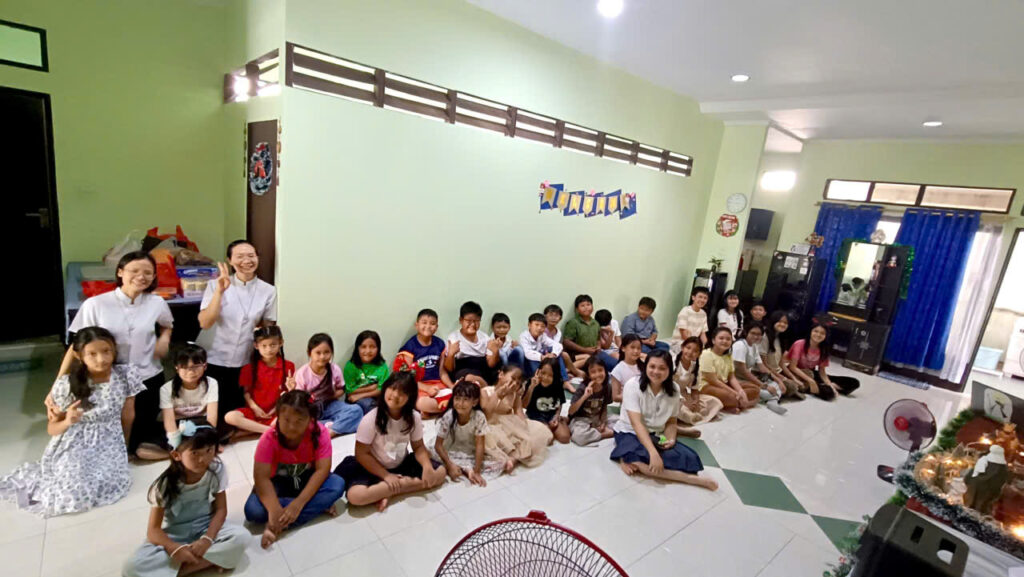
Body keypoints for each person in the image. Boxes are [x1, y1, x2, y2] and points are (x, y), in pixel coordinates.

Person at [1, 327, 145, 516]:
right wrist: (68, 421)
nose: (101, 359)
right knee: (73, 492)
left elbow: (128, 415)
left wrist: (123, 448)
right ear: (78, 355)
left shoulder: (126, 375)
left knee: (107, 483)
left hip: (109, 441)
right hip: (74, 442)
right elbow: (52, 429)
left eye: (106, 351)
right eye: (92, 354)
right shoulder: (67, 384)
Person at [53, 251, 172, 457]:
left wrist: (164, 339)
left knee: (140, 439)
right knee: (107, 436)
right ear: (120, 272)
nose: (141, 276)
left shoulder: (157, 303)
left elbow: (167, 325)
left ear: (154, 276)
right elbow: (76, 346)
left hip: (148, 377)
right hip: (107, 380)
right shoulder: (96, 304)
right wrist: (57, 384)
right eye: (134, 271)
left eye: (147, 272)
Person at [123, 425, 248, 577]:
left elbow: (221, 510)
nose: (203, 459)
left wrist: (207, 539)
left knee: (242, 537)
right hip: (175, 534)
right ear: (177, 455)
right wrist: (174, 548)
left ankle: (179, 571)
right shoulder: (164, 485)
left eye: (209, 450)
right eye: (195, 453)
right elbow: (153, 530)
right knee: (132, 568)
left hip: (205, 526)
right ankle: (211, 561)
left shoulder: (216, 469)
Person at [244, 390, 344, 548]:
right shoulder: (269, 438)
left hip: (307, 479)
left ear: (310, 419)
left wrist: (298, 504)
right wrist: (274, 509)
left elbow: (322, 470)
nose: (291, 426)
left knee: (337, 484)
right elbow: (261, 478)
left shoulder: (319, 433)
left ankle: (277, 525)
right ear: (278, 416)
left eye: (299, 421)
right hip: (278, 482)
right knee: (253, 511)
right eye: (286, 420)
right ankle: (314, 507)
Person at [334, 372, 447, 512]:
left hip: (400, 463)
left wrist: (427, 466)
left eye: (403, 392)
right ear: (385, 388)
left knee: (440, 473)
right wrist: (386, 476)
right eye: (392, 388)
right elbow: (361, 454)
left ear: (410, 397)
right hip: (373, 466)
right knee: (355, 496)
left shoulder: (414, 417)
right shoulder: (371, 419)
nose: (395, 395)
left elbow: (418, 447)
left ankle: (389, 490)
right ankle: (396, 486)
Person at [610, 349, 718, 491]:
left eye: (662, 368)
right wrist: (653, 453)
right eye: (652, 366)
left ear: (669, 370)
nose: (656, 371)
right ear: (645, 367)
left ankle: (626, 457)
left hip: (656, 433)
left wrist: (670, 439)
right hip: (629, 431)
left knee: (689, 457)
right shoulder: (633, 385)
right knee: (642, 460)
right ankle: (692, 480)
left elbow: (671, 421)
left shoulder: (674, 389)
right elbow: (636, 424)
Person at [196, 240, 277, 424]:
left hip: (243, 358)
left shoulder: (268, 290)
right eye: (240, 256)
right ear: (230, 261)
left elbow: (267, 326)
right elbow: (205, 322)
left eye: (251, 256)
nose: (246, 261)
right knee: (211, 406)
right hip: (214, 355)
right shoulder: (215, 285)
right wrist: (219, 291)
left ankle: (230, 434)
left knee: (234, 406)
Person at [136, 344, 220, 461]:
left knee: (227, 427)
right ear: (176, 368)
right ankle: (180, 453)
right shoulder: (166, 388)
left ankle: (191, 450)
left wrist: (208, 437)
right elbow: (169, 422)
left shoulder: (211, 383)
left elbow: (211, 418)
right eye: (184, 367)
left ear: (205, 366)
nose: (190, 372)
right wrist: (176, 444)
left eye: (196, 366)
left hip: (200, 422)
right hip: (177, 425)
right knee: (141, 451)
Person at [431, 380, 510, 485]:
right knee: (433, 455)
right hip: (451, 446)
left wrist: (477, 471)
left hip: (471, 448)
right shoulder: (449, 416)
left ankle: (467, 469)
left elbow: (479, 445)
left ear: (474, 402)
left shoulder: (479, 417)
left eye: (465, 399)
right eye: (457, 398)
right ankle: (465, 469)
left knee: (499, 463)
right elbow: (438, 445)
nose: (460, 403)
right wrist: (449, 465)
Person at [224, 327, 295, 435]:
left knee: (291, 416)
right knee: (230, 417)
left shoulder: (288, 366)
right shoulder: (248, 368)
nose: (269, 349)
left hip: (277, 412)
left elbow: (287, 394)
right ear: (256, 346)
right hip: (254, 411)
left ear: (281, 343)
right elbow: (246, 392)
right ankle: (270, 431)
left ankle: (254, 430)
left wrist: (277, 408)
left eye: (273, 345)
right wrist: (255, 408)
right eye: (264, 346)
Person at [480, 365, 552, 468]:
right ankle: (512, 456)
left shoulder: (514, 394)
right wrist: (498, 395)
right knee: (495, 442)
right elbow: (486, 413)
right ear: (501, 375)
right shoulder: (485, 391)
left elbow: (519, 412)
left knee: (536, 437)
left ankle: (515, 458)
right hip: (491, 424)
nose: (514, 384)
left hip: (509, 423)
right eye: (513, 379)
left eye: (518, 383)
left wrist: (525, 429)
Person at [292, 333, 363, 436]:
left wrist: (330, 395)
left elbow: (342, 389)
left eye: (327, 352)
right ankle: (332, 424)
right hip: (311, 410)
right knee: (298, 421)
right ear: (309, 353)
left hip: (330, 405)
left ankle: (331, 431)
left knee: (356, 410)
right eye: (318, 353)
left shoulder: (334, 369)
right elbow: (299, 400)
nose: (322, 357)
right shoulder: (302, 373)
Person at [394, 308, 453, 416]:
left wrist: (452, 386)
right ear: (417, 325)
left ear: (436, 327)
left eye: (432, 323)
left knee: (458, 395)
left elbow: (442, 372)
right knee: (420, 403)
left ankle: (438, 408)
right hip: (418, 386)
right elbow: (407, 377)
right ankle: (444, 407)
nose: (428, 326)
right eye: (424, 322)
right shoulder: (410, 347)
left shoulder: (439, 344)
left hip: (437, 384)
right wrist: (427, 388)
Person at [784, 325, 861, 401]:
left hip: (812, 373)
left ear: (825, 336)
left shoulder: (823, 349)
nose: (818, 335)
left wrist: (830, 385)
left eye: (822, 333)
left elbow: (822, 372)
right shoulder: (799, 344)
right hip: (797, 373)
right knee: (828, 393)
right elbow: (792, 367)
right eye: (816, 331)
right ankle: (818, 386)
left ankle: (828, 386)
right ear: (810, 332)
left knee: (854, 382)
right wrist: (811, 381)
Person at [699, 327, 759, 413]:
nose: (725, 341)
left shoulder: (728, 356)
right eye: (721, 338)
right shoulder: (706, 354)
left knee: (755, 389)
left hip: (724, 384)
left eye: (728, 339)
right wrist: (735, 393)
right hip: (707, 386)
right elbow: (713, 381)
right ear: (713, 340)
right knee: (731, 397)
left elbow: (732, 378)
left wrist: (741, 391)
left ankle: (735, 404)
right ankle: (742, 403)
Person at [732, 323, 787, 416]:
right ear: (746, 333)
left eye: (759, 334)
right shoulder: (740, 345)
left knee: (776, 385)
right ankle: (771, 399)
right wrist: (763, 385)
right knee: (766, 391)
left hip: (749, 379)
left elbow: (763, 368)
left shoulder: (754, 346)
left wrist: (779, 381)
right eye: (753, 333)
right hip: (738, 380)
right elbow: (743, 371)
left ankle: (771, 401)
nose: (756, 336)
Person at [673, 337, 723, 432]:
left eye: (695, 351)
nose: (690, 352)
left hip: (684, 394)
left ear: (699, 354)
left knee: (715, 402)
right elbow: (667, 386)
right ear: (682, 347)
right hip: (672, 395)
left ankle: (691, 416)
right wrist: (684, 402)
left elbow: (695, 389)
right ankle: (689, 418)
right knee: (681, 409)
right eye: (688, 348)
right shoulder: (673, 362)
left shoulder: (695, 366)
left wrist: (695, 401)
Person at [444, 301, 500, 386]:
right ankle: (486, 388)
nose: (473, 324)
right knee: (469, 378)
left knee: (503, 372)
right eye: (468, 321)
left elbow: (490, 364)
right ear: (461, 320)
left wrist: (495, 352)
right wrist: (451, 354)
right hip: (463, 371)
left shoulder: (485, 338)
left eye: (476, 321)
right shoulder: (453, 338)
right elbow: (450, 369)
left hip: (482, 369)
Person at [562, 294, 618, 372]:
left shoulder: (596, 323)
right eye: (582, 305)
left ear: (592, 307)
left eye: (588, 304)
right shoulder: (573, 323)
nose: (586, 307)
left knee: (617, 366)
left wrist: (598, 346)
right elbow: (566, 342)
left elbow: (598, 339)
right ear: (577, 309)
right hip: (580, 355)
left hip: (596, 354)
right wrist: (584, 349)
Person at [567, 356, 614, 446]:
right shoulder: (582, 388)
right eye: (593, 372)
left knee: (622, 423)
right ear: (588, 375)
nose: (597, 374)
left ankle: (595, 432)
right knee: (579, 437)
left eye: (600, 370)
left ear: (605, 371)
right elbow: (571, 411)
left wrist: (603, 422)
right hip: (581, 420)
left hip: (597, 417)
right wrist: (585, 396)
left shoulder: (607, 387)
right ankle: (603, 434)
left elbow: (604, 407)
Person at [524, 358, 571, 444]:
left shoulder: (558, 384)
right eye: (543, 373)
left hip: (551, 415)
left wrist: (556, 416)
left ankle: (562, 420)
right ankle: (548, 427)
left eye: (550, 375)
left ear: (555, 376)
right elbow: (524, 405)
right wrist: (531, 387)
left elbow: (559, 403)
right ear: (538, 371)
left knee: (565, 438)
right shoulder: (532, 382)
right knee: (549, 439)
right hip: (535, 416)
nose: (545, 377)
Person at [510, 313, 570, 380]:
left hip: (538, 362)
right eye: (536, 325)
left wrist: (553, 354)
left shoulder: (542, 336)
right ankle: (540, 379)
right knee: (533, 357)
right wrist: (542, 357)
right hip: (527, 365)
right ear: (529, 325)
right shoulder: (524, 336)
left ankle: (564, 379)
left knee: (554, 351)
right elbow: (528, 353)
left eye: (542, 326)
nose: (539, 328)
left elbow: (557, 345)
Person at [761, 312, 805, 400]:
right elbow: (764, 365)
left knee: (807, 374)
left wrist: (793, 378)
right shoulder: (765, 336)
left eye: (785, 323)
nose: (783, 324)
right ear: (773, 321)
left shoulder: (781, 337)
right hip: (767, 373)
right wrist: (783, 378)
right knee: (792, 386)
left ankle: (790, 389)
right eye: (780, 321)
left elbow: (781, 363)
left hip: (778, 371)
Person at [343, 330, 390, 413]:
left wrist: (360, 394)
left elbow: (382, 390)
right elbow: (349, 391)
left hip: (375, 397)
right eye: (363, 347)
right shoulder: (351, 366)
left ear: (378, 348)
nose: (368, 351)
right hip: (357, 400)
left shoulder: (382, 366)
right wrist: (371, 388)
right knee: (370, 406)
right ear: (357, 348)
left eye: (372, 347)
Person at [673, 286, 710, 352]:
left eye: (705, 298)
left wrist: (707, 346)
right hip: (680, 343)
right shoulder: (685, 311)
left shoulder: (703, 314)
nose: (702, 300)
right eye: (700, 297)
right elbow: (683, 335)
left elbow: (703, 334)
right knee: (694, 352)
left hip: (694, 343)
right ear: (693, 297)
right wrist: (696, 346)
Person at [610, 335, 644, 403]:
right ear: (623, 348)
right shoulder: (618, 370)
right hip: (628, 405)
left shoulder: (643, 366)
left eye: (639, 348)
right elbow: (615, 397)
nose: (636, 351)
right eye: (632, 347)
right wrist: (636, 397)